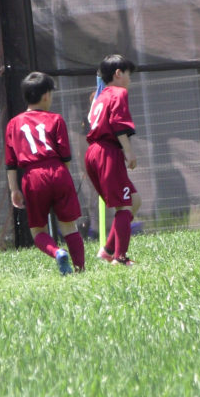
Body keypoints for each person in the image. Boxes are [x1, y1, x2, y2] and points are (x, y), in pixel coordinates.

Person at [4, 72, 85, 275]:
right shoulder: (56, 119)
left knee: (38, 230)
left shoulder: (13, 124)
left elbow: (10, 163)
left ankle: (57, 252)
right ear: (46, 95)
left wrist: (14, 189)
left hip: (32, 177)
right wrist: (62, 178)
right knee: (69, 226)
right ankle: (80, 269)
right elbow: (65, 155)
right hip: (57, 171)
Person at [85, 54, 141, 266]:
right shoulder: (119, 92)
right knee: (124, 207)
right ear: (118, 74)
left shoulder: (100, 97)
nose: (129, 80)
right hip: (107, 152)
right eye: (128, 75)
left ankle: (107, 250)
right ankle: (120, 258)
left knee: (134, 200)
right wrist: (129, 151)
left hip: (93, 153)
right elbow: (118, 124)